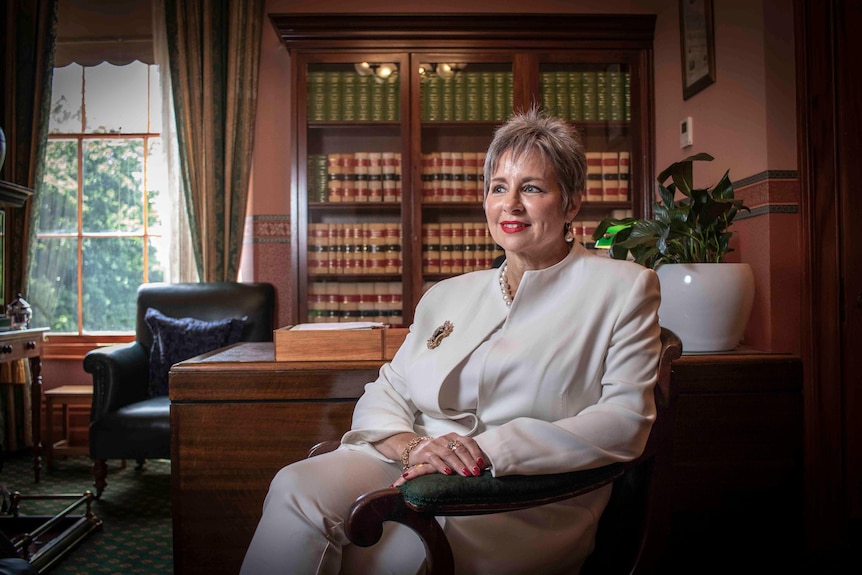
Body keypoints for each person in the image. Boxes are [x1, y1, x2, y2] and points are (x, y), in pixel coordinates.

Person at [241, 107, 662, 575]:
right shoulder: (448, 294)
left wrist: (487, 452)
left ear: (572, 203)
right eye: (498, 187)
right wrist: (408, 446)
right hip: (412, 461)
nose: (511, 205)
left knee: (388, 557)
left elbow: (625, 422)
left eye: (533, 188)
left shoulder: (623, 288)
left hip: (512, 494)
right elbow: (388, 390)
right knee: (296, 487)